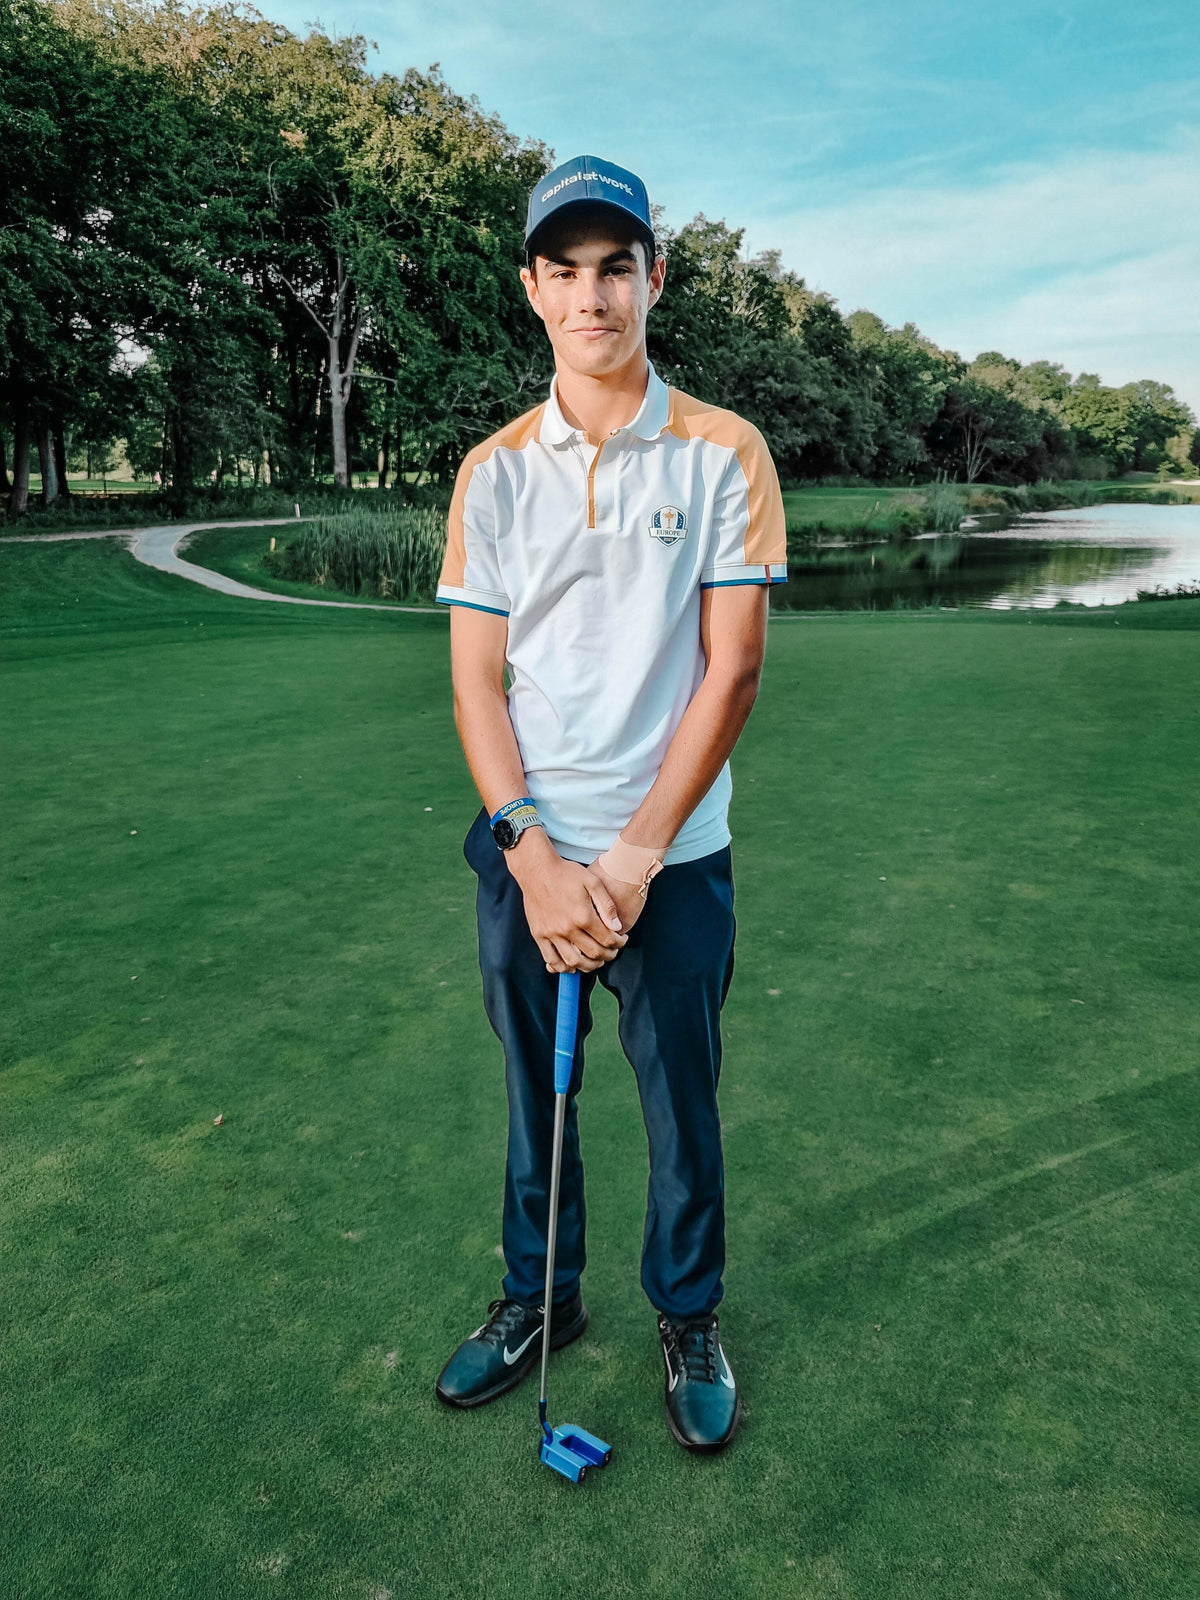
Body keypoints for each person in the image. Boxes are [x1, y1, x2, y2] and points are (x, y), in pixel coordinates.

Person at [432, 155, 786, 1453]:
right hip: (531, 848)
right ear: (533, 287)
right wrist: (533, 856)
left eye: (616, 266)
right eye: (567, 269)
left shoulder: (724, 452)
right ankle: (541, 1300)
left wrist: (633, 858)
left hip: (672, 859)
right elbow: (475, 683)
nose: (593, 294)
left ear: (654, 278)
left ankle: (688, 1315)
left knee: (680, 1104)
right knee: (540, 1099)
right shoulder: (493, 471)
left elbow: (732, 671)